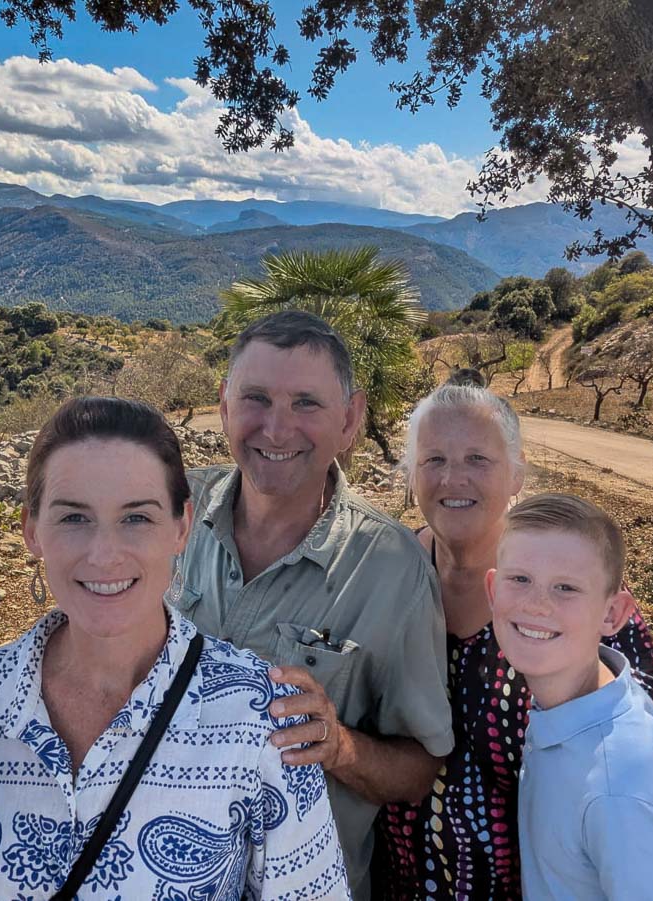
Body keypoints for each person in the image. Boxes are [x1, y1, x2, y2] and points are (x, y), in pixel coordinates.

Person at [0, 396, 349, 900]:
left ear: (181, 527)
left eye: (136, 519)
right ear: (31, 531)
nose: (105, 554)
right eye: (73, 518)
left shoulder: (264, 717)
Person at [372, 381, 653, 900]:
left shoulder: (570, 595)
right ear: (412, 472)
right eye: (433, 457)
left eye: (477, 459)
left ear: (517, 473)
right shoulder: (381, 577)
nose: (452, 477)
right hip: (396, 885)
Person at [175, 311, 454, 900]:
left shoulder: (392, 570)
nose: (276, 430)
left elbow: (419, 767)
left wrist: (339, 745)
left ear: (350, 419)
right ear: (224, 404)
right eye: (255, 398)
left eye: (307, 404)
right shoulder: (168, 511)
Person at [489, 493, 653, 899]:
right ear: (492, 589)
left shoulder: (619, 792)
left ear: (613, 614)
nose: (537, 604)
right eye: (520, 579)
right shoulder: (606, 696)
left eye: (566, 587)